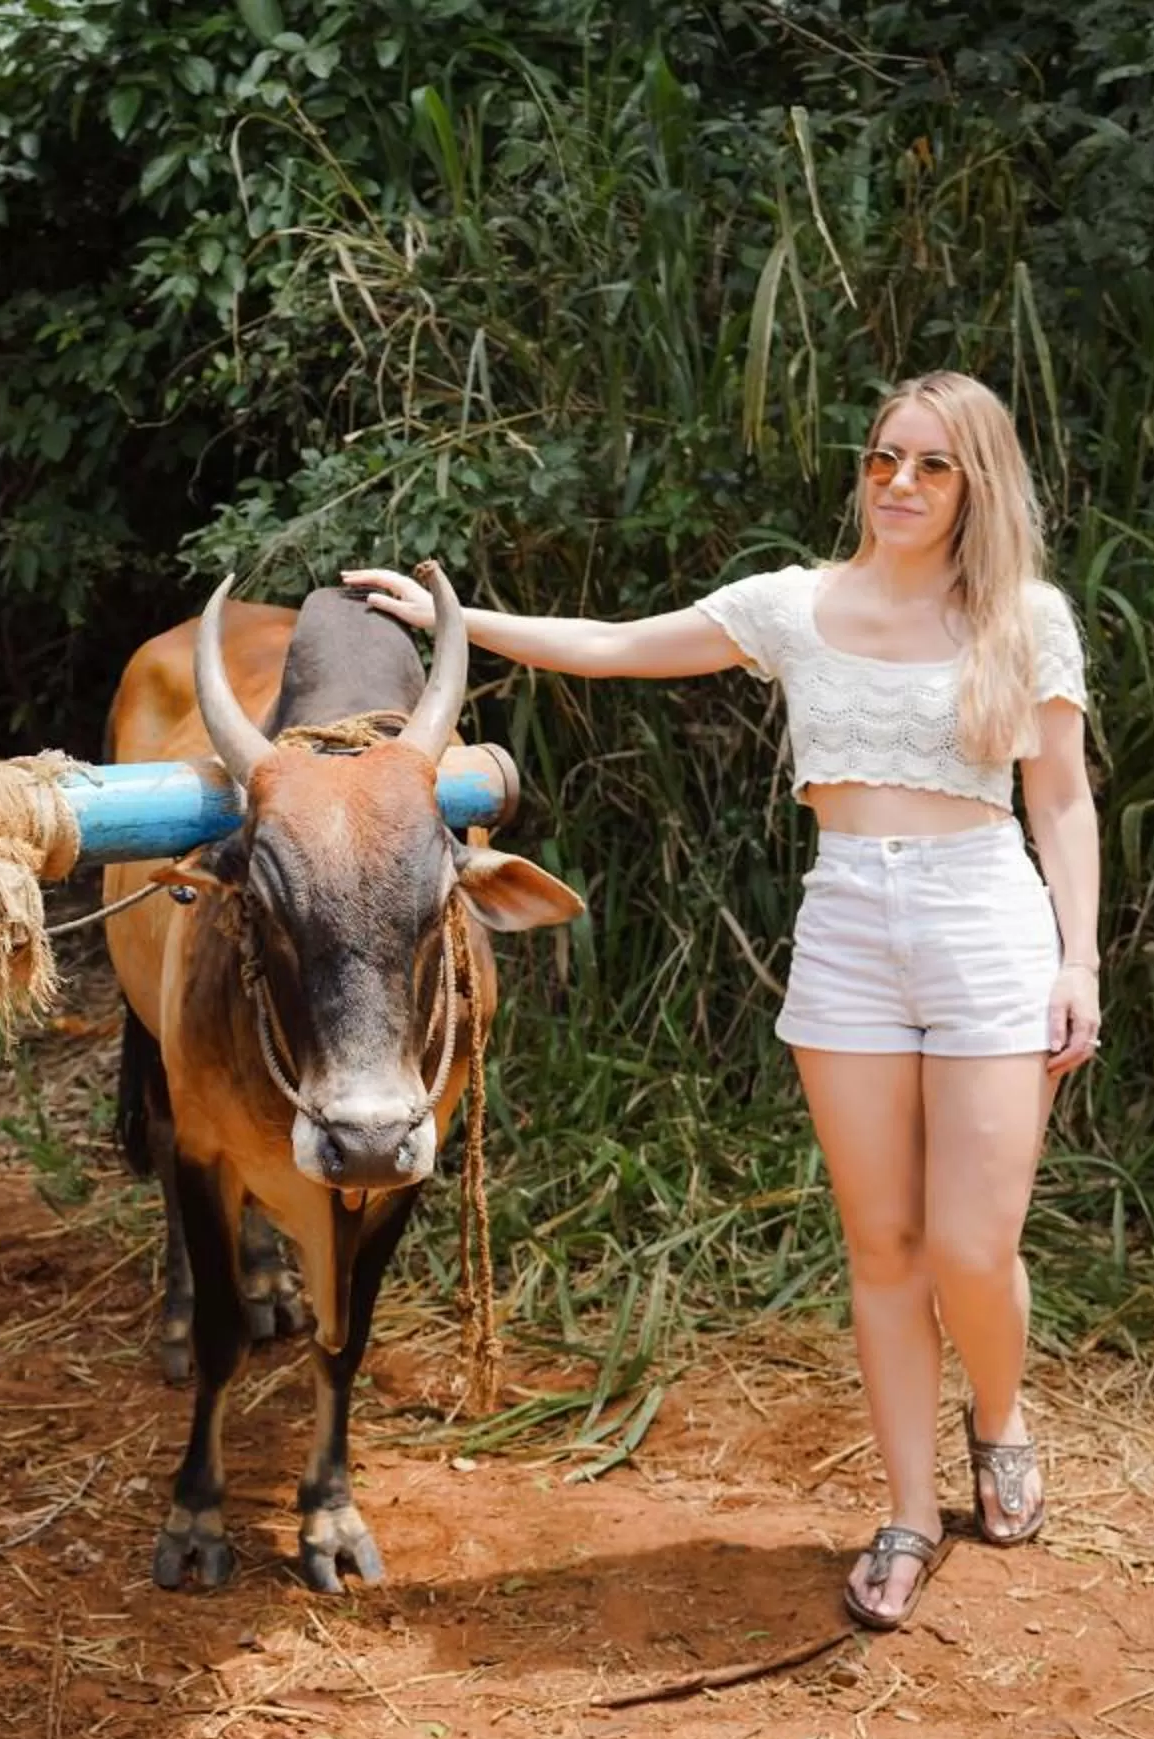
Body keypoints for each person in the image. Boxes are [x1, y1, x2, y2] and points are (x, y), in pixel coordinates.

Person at [348, 370, 1100, 1635]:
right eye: (881, 459)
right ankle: (909, 1512)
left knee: (972, 1246)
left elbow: (1062, 798)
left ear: (980, 483)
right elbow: (622, 645)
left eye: (931, 465)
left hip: (986, 920)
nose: (898, 485)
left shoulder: (1025, 618)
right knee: (884, 1249)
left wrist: (1078, 959)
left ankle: (1000, 1411)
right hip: (852, 924)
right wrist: (455, 617)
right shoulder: (795, 607)